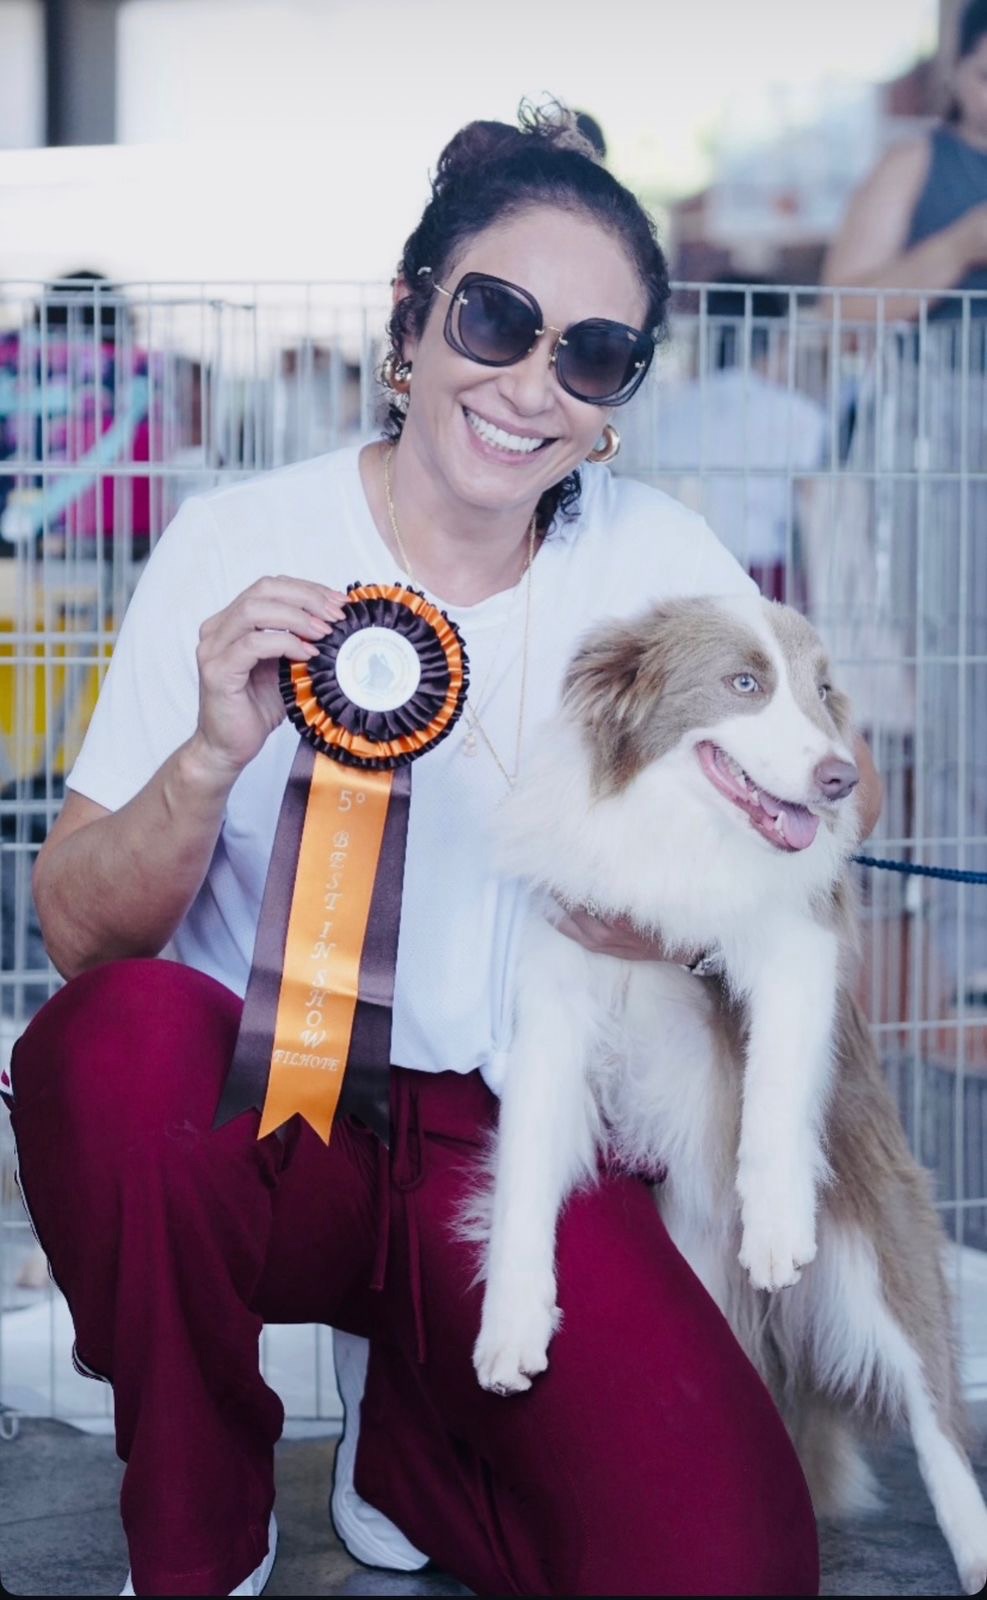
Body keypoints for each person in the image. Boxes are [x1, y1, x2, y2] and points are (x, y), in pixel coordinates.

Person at [7, 106, 880, 1598]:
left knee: (727, 1566)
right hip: (267, 1121)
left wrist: (684, 916)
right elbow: (81, 933)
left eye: (591, 355)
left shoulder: (664, 567)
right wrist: (210, 756)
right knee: (113, 1046)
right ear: (409, 321)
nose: (532, 384)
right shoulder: (233, 541)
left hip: (532, 1145)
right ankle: (204, 1508)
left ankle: (411, 1437)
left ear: (615, 402)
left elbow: (825, 815)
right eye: (495, 319)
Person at [820, 0, 987, 1012]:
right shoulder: (921, 163)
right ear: (959, 71)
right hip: (945, 441)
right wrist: (962, 242)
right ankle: (974, 957)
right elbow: (842, 311)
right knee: (967, 695)